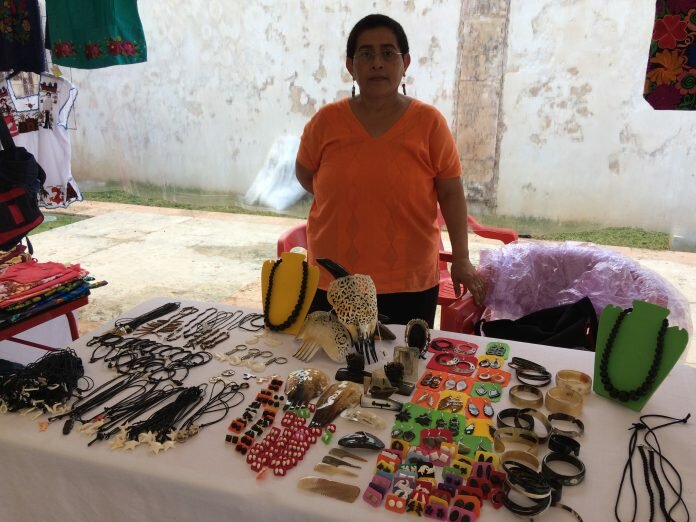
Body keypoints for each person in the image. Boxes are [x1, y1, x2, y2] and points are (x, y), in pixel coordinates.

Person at [296, 13, 485, 328]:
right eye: (366, 54)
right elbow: (305, 175)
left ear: (405, 62)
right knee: (328, 358)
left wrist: (461, 259)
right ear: (350, 65)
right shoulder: (325, 122)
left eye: (387, 53)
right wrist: (350, 196)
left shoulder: (429, 124)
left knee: (404, 359)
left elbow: (451, 193)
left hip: (409, 283)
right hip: (333, 281)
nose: (377, 63)